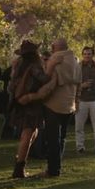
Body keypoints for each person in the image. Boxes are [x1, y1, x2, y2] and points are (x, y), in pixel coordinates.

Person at [18, 38, 79, 178]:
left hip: (53, 106)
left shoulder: (56, 61)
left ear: (55, 47)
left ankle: (52, 170)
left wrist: (30, 97)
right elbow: (79, 84)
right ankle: (56, 167)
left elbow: (49, 86)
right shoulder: (75, 62)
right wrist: (77, 100)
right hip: (69, 105)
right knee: (61, 138)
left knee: (52, 139)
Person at [7, 41, 55, 178]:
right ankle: (19, 168)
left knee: (31, 134)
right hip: (31, 104)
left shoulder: (18, 65)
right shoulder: (34, 66)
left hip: (20, 103)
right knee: (28, 135)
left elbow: (11, 85)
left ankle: (20, 162)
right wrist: (52, 68)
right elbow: (45, 79)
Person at [74, 46, 95, 155]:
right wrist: (82, 86)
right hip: (81, 100)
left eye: (89, 54)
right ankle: (80, 147)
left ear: (92, 55)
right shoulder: (78, 67)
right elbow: (72, 84)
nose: (87, 56)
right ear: (82, 55)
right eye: (85, 54)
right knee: (79, 126)